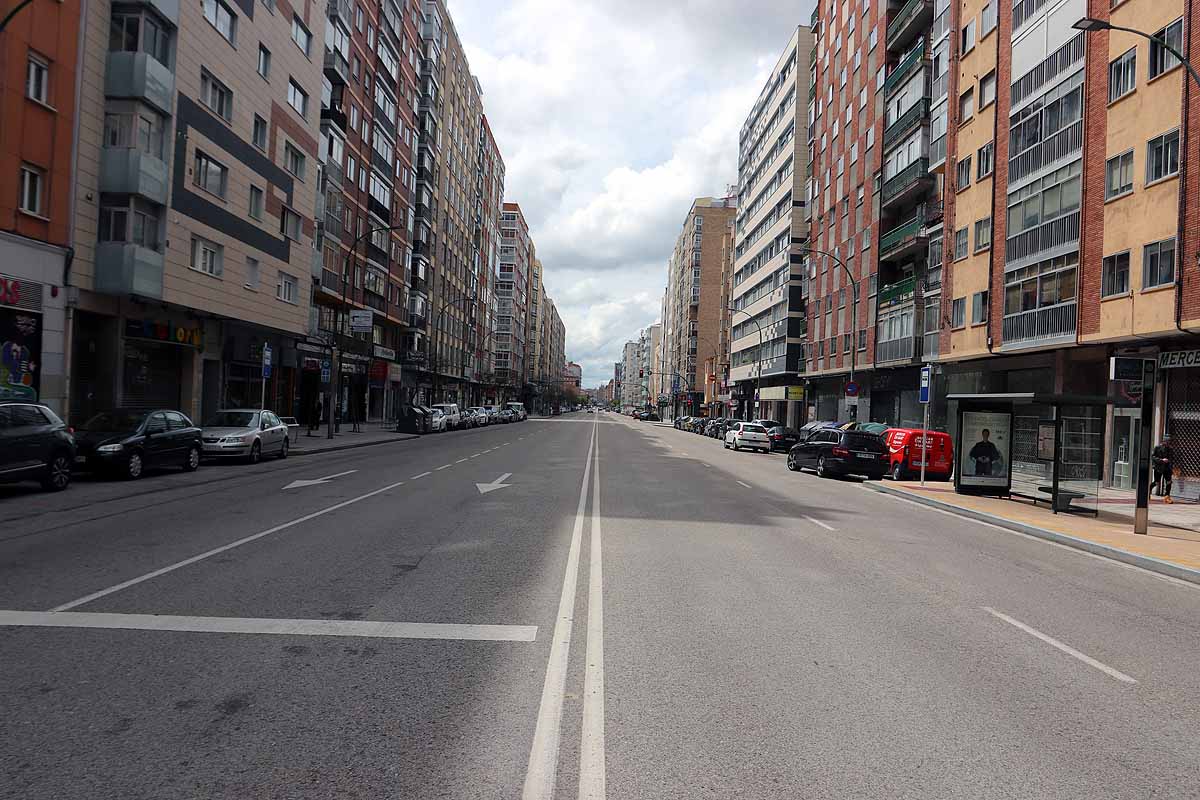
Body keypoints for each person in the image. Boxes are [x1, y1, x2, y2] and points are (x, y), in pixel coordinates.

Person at [1152, 436, 1175, 504]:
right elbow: (1153, 457)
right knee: (1156, 482)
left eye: (1169, 442)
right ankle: (1148, 490)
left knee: (1169, 482)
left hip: (1167, 468)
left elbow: (1172, 458)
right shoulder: (1157, 448)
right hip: (1159, 468)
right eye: (1167, 442)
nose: (1168, 443)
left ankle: (1167, 497)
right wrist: (1161, 460)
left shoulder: (1170, 449)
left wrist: (1170, 464)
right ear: (1163, 441)